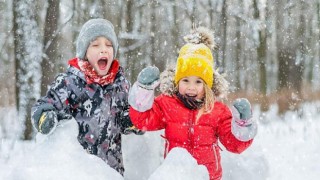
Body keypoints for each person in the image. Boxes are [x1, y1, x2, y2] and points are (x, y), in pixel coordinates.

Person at [128, 27, 257, 180]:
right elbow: (143, 120)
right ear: (177, 81)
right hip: (176, 175)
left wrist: (243, 124)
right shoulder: (167, 104)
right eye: (185, 80)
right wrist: (144, 90)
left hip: (208, 177)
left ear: (207, 85)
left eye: (198, 82)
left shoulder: (217, 111)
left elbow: (234, 144)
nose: (191, 87)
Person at [31, 18, 142, 176]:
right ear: (85, 52)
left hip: (112, 171)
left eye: (109, 45)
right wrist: (44, 117)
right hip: (79, 171)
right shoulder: (70, 83)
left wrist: (135, 120)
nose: (104, 50)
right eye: (95, 45)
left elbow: (123, 119)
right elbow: (43, 105)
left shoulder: (121, 84)